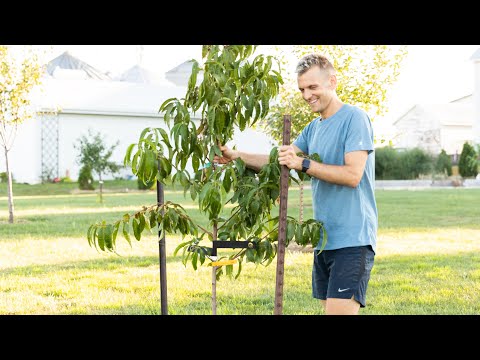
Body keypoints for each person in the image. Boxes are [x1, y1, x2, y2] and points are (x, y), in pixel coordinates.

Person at [214, 53, 377, 315]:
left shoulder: (354, 119)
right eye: (302, 89)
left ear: (332, 82)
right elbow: (278, 160)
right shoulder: (314, 128)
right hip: (324, 240)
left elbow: (352, 175)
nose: (307, 95)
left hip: (352, 239)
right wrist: (236, 155)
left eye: (313, 87)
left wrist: (303, 164)